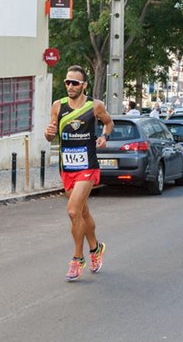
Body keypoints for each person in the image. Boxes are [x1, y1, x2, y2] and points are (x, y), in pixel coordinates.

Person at [45, 65, 114, 281]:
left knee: (73, 211)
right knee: (83, 213)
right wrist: (48, 134)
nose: (70, 86)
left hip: (87, 166)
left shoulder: (95, 106)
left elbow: (109, 122)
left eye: (75, 82)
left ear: (84, 85)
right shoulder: (58, 106)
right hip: (67, 167)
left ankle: (78, 258)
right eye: (67, 82)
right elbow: (51, 135)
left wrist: (104, 136)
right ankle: (96, 248)